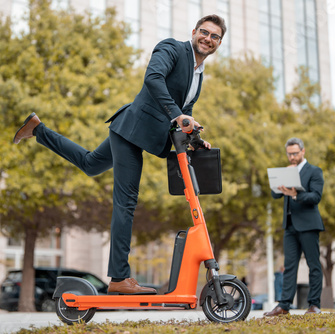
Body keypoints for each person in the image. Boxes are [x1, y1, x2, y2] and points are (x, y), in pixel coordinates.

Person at [13, 15, 226, 295]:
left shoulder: (198, 75)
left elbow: (184, 111)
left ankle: (38, 130)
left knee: (90, 164)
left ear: (219, 43)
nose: (207, 39)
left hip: (140, 133)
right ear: (194, 32)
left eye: (214, 37)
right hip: (132, 129)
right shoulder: (173, 48)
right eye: (204, 32)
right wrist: (178, 115)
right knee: (126, 202)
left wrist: (194, 135)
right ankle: (119, 278)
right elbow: (153, 79)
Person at [264, 137, 325, 316]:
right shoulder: (286, 171)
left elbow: (316, 197)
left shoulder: (314, 171)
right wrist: (279, 184)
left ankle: (314, 305)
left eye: (295, 153)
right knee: (289, 266)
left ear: (303, 151)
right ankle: (284, 305)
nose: (292, 157)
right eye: (289, 154)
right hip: (289, 226)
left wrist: (296, 195)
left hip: (309, 225)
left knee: (313, 265)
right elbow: (275, 195)